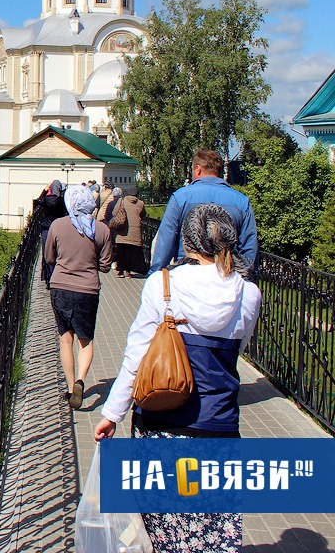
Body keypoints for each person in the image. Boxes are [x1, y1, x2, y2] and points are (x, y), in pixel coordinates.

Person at [94, 204, 262, 553]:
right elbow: (235, 352)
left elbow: (136, 355)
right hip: (218, 428)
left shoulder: (164, 285)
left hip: (162, 422)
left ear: (187, 242)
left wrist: (113, 413)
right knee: (211, 529)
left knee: (164, 530)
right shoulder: (248, 294)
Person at [44, 184, 114, 409]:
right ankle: (82, 380)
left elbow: (49, 257)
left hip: (61, 288)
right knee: (86, 340)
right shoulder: (102, 230)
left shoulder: (58, 225)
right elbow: (105, 266)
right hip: (88, 290)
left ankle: (70, 384)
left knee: (66, 339)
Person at [150, 149, 257, 274]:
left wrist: (155, 274)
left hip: (186, 275)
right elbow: (249, 245)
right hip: (226, 276)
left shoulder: (180, 198)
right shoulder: (241, 202)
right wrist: (249, 278)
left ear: (198, 169)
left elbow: (166, 239)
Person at [34, 180, 68, 283]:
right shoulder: (61, 201)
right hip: (58, 228)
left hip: (47, 229)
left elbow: (37, 201)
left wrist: (44, 191)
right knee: (57, 253)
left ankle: (48, 276)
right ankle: (56, 276)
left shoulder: (46, 200)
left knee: (47, 252)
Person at [112, 185, 147, 279]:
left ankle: (120, 270)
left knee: (121, 250)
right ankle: (128, 272)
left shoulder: (122, 200)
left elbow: (114, 213)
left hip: (123, 230)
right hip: (134, 231)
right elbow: (143, 214)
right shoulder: (140, 203)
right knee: (131, 252)